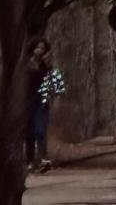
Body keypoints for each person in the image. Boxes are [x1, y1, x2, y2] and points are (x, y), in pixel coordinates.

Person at [26, 39, 66, 173]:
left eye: (42, 48)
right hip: (28, 101)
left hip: (42, 100)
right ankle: (30, 160)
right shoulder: (27, 64)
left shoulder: (47, 66)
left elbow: (55, 82)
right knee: (29, 131)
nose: (39, 50)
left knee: (40, 130)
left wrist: (54, 98)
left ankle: (42, 157)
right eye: (37, 47)